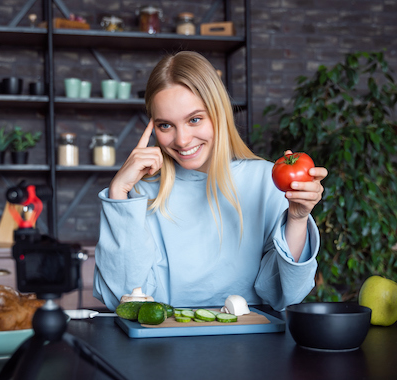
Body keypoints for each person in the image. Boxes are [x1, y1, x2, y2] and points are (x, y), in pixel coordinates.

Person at [93, 51, 328, 311]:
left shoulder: (265, 180)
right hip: (164, 346)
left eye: (194, 119)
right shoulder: (141, 194)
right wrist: (118, 193)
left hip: (251, 346)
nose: (182, 140)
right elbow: (122, 300)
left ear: (219, 114)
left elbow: (286, 294)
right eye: (165, 125)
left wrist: (297, 218)